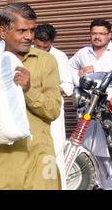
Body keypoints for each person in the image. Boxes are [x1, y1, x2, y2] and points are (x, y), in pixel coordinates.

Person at [0, 2, 61, 190]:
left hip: (38, 160)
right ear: (3, 32)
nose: (29, 37)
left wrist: (28, 90)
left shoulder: (46, 62)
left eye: (32, 31)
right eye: (22, 31)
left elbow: (53, 110)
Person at [69, 19, 112, 190]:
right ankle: (101, 183)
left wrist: (96, 67)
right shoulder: (83, 53)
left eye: (101, 33)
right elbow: (69, 67)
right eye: (94, 33)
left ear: (109, 35)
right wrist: (79, 80)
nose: (97, 37)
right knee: (91, 144)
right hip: (91, 104)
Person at [34, 23, 73, 190]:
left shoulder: (60, 57)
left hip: (53, 112)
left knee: (54, 152)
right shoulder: (27, 54)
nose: (41, 49)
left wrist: (50, 89)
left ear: (52, 43)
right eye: (38, 45)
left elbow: (68, 86)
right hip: (32, 111)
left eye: (45, 46)